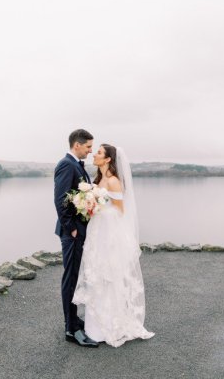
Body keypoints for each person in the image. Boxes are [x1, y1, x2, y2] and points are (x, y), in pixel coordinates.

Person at [72, 144, 155, 347]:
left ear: (108, 159)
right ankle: (95, 326)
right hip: (97, 231)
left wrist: (96, 206)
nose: (95, 155)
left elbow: (119, 211)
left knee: (108, 277)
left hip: (108, 234)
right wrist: (90, 205)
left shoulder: (113, 181)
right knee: (96, 276)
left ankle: (111, 325)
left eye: (99, 153)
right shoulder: (99, 180)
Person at [53, 129, 99, 347]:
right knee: (70, 279)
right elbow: (60, 199)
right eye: (89, 147)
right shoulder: (66, 165)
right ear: (77, 145)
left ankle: (74, 319)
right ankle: (71, 329)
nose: (90, 151)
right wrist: (71, 228)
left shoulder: (77, 165)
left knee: (76, 277)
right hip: (71, 234)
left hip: (80, 231)